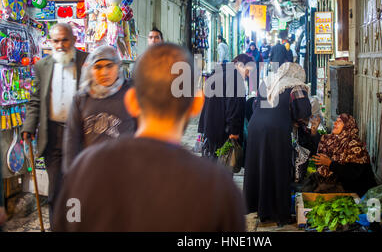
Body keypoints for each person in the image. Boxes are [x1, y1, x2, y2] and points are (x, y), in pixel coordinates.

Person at [53, 43, 246, 231]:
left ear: (131, 101)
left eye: (109, 65)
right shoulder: (218, 189)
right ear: (196, 104)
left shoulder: (85, 169)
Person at [21, 23, 89, 230]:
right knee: (56, 190)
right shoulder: (42, 66)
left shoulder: (87, 62)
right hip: (53, 136)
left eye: (64, 40)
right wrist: (28, 127)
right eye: (55, 41)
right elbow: (35, 100)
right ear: (50, 42)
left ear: (74, 40)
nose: (60, 45)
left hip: (80, 137)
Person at [244, 62, 312, 226]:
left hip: (255, 127)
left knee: (260, 167)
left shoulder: (268, 81)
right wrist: (299, 123)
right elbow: (303, 112)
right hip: (276, 131)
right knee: (278, 168)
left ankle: (261, 209)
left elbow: (254, 104)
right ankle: (279, 213)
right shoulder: (296, 86)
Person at [62, 46, 136, 173]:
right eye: (98, 67)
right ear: (90, 69)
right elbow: (71, 139)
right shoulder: (81, 98)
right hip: (91, 172)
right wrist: (71, 174)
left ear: (118, 66)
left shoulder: (131, 94)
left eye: (109, 66)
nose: (104, 72)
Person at [304, 114, 377, 197]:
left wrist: (330, 163)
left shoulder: (355, 145)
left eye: (339, 122)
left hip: (355, 189)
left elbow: (353, 173)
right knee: (312, 182)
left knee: (320, 190)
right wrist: (314, 132)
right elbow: (322, 144)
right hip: (341, 182)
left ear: (347, 126)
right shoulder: (336, 139)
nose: (335, 123)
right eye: (336, 121)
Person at [198, 54, 252, 160]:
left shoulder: (216, 74)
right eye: (248, 70)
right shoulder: (235, 79)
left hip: (210, 128)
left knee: (212, 165)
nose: (248, 75)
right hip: (224, 133)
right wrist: (234, 132)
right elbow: (234, 108)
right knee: (224, 166)